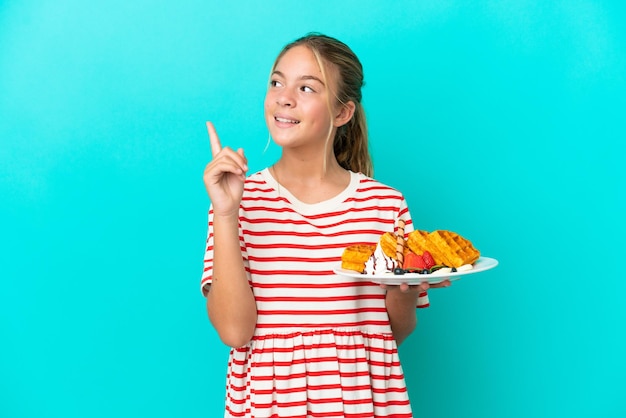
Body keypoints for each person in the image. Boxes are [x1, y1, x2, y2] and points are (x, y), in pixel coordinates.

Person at [201, 33, 449, 418]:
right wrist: (227, 213)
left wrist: (406, 287)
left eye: (306, 87)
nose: (285, 97)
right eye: (277, 82)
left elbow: (392, 334)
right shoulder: (239, 199)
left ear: (342, 113)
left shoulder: (385, 205)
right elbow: (235, 333)